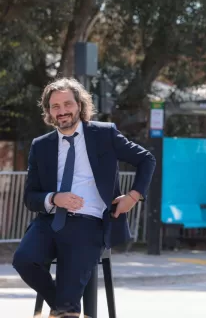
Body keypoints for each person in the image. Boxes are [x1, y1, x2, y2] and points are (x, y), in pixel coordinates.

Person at [12, 78, 156, 318]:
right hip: (49, 223)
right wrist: (54, 198)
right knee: (24, 260)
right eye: (55, 106)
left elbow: (146, 159)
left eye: (67, 104)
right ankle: (64, 308)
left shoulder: (103, 134)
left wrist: (133, 196)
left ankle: (64, 308)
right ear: (48, 111)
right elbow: (30, 197)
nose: (62, 111)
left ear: (79, 105)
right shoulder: (41, 146)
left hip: (89, 224)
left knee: (68, 299)